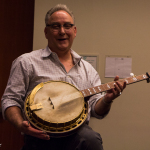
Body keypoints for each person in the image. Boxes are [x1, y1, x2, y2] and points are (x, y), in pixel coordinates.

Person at [1, 4, 126, 150]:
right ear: (46, 32)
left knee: (92, 139)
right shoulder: (26, 62)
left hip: (78, 138)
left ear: (74, 31)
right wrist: (19, 124)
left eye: (67, 26)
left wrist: (107, 99)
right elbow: (10, 99)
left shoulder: (88, 69)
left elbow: (96, 110)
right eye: (55, 26)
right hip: (39, 138)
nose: (62, 31)